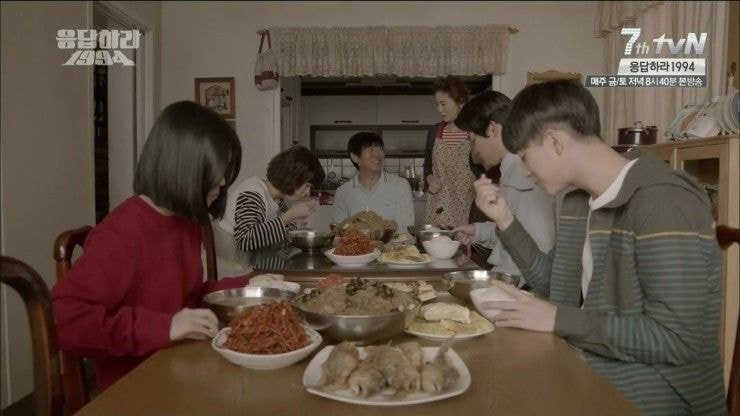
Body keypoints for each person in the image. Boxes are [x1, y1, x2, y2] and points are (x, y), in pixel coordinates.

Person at [474, 80, 725, 415]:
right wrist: (505, 219)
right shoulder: (579, 202)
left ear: (555, 142)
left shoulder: (663, 203)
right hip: (596, 365)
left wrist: (558, 319)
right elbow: (554, 286)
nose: (525, 170)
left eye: (524, 156)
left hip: (660, 393)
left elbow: (675, 340)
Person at [52, 101, 249, 393]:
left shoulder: (186, 223)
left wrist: (249, 285)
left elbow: (187, 297)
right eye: (216, 171)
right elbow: (65, 320)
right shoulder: (122, 233)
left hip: (182, 368)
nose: (222, 182)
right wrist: (164, 327)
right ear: (183, 166)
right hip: (136, 388)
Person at [452, 90, 555, 284]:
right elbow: (517, 229)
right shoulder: (511, 167)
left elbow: (535, 249)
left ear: (492, 129)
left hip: (519, 286)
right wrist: (478, 231)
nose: (474, 154)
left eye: (472, 141)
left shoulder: (521, 170)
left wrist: (493, 287)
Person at [214, 145, 324, 275]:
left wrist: (296, 222)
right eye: (307, 186)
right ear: (294, 177)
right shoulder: (253, 193)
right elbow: (245, 240)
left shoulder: (278, 199)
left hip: (251, 263)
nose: (308, 193)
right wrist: (291, 215)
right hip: (232, 266)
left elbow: (287, 230)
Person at [331, 132, 414, 233]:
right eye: (370, 149)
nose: (378, 154)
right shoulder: (343, 192)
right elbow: (339, 232)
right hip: (355, 244)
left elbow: (405, 230)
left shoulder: (400, 186)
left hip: (394, 244)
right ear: (355, 157)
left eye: (380, 149)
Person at [422, 75, 475, 228]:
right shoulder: (434, 132)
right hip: (439, 208)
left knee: (465, 240)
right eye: (437, 104)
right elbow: (427, 168)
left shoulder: (474, 132)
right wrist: (431, 180)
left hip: (468, 207)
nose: (439, 109)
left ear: (461, 102)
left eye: (443, 104)